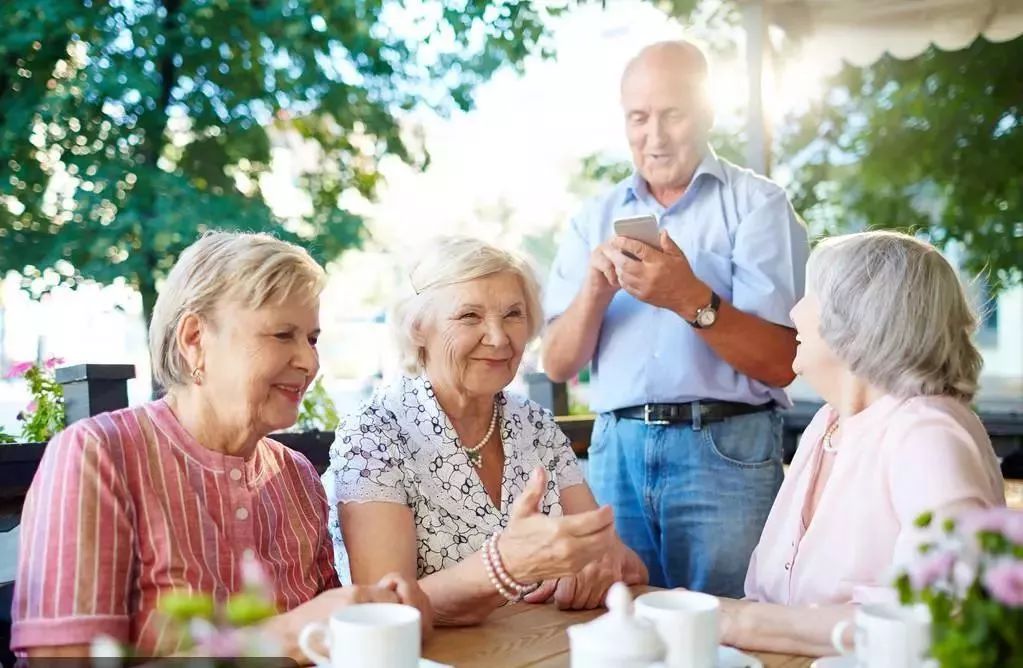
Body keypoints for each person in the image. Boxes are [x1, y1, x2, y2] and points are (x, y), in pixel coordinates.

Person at [12, 232, 427, 659]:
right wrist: (280, 635)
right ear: (194, 338)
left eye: (312, 338)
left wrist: (371, 611)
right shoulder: (97, 456)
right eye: (283, 334)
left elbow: (323, 639)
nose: (310, 361)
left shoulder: (297, 475)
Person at [542, 40, 810, 596]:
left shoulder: (758, 205)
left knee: (728, 631)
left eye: (673, 115)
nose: (655, 136)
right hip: (615, 451)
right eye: (639, 118)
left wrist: (690, 298)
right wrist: (594, 288)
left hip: (724, 447)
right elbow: (558, 362)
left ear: (707, 113)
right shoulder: (593, 217)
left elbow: (783, 363)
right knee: (619, 623)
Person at [323, 236, 647, 625]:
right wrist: (505, 567)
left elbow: (625, 565)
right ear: (418, 328)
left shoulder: (535, 423)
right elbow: (383, 608)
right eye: (469, 316)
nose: (498, 337)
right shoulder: (373, 434)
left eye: (513, 314)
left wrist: (601, 567)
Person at [717, 230, 1005, 657]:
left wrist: (739, 622)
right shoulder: (828, 423)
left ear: (860, 315)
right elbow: (775, 597)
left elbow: (952, 611)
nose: (795, 311)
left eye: (812, 295)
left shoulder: (926, 433)